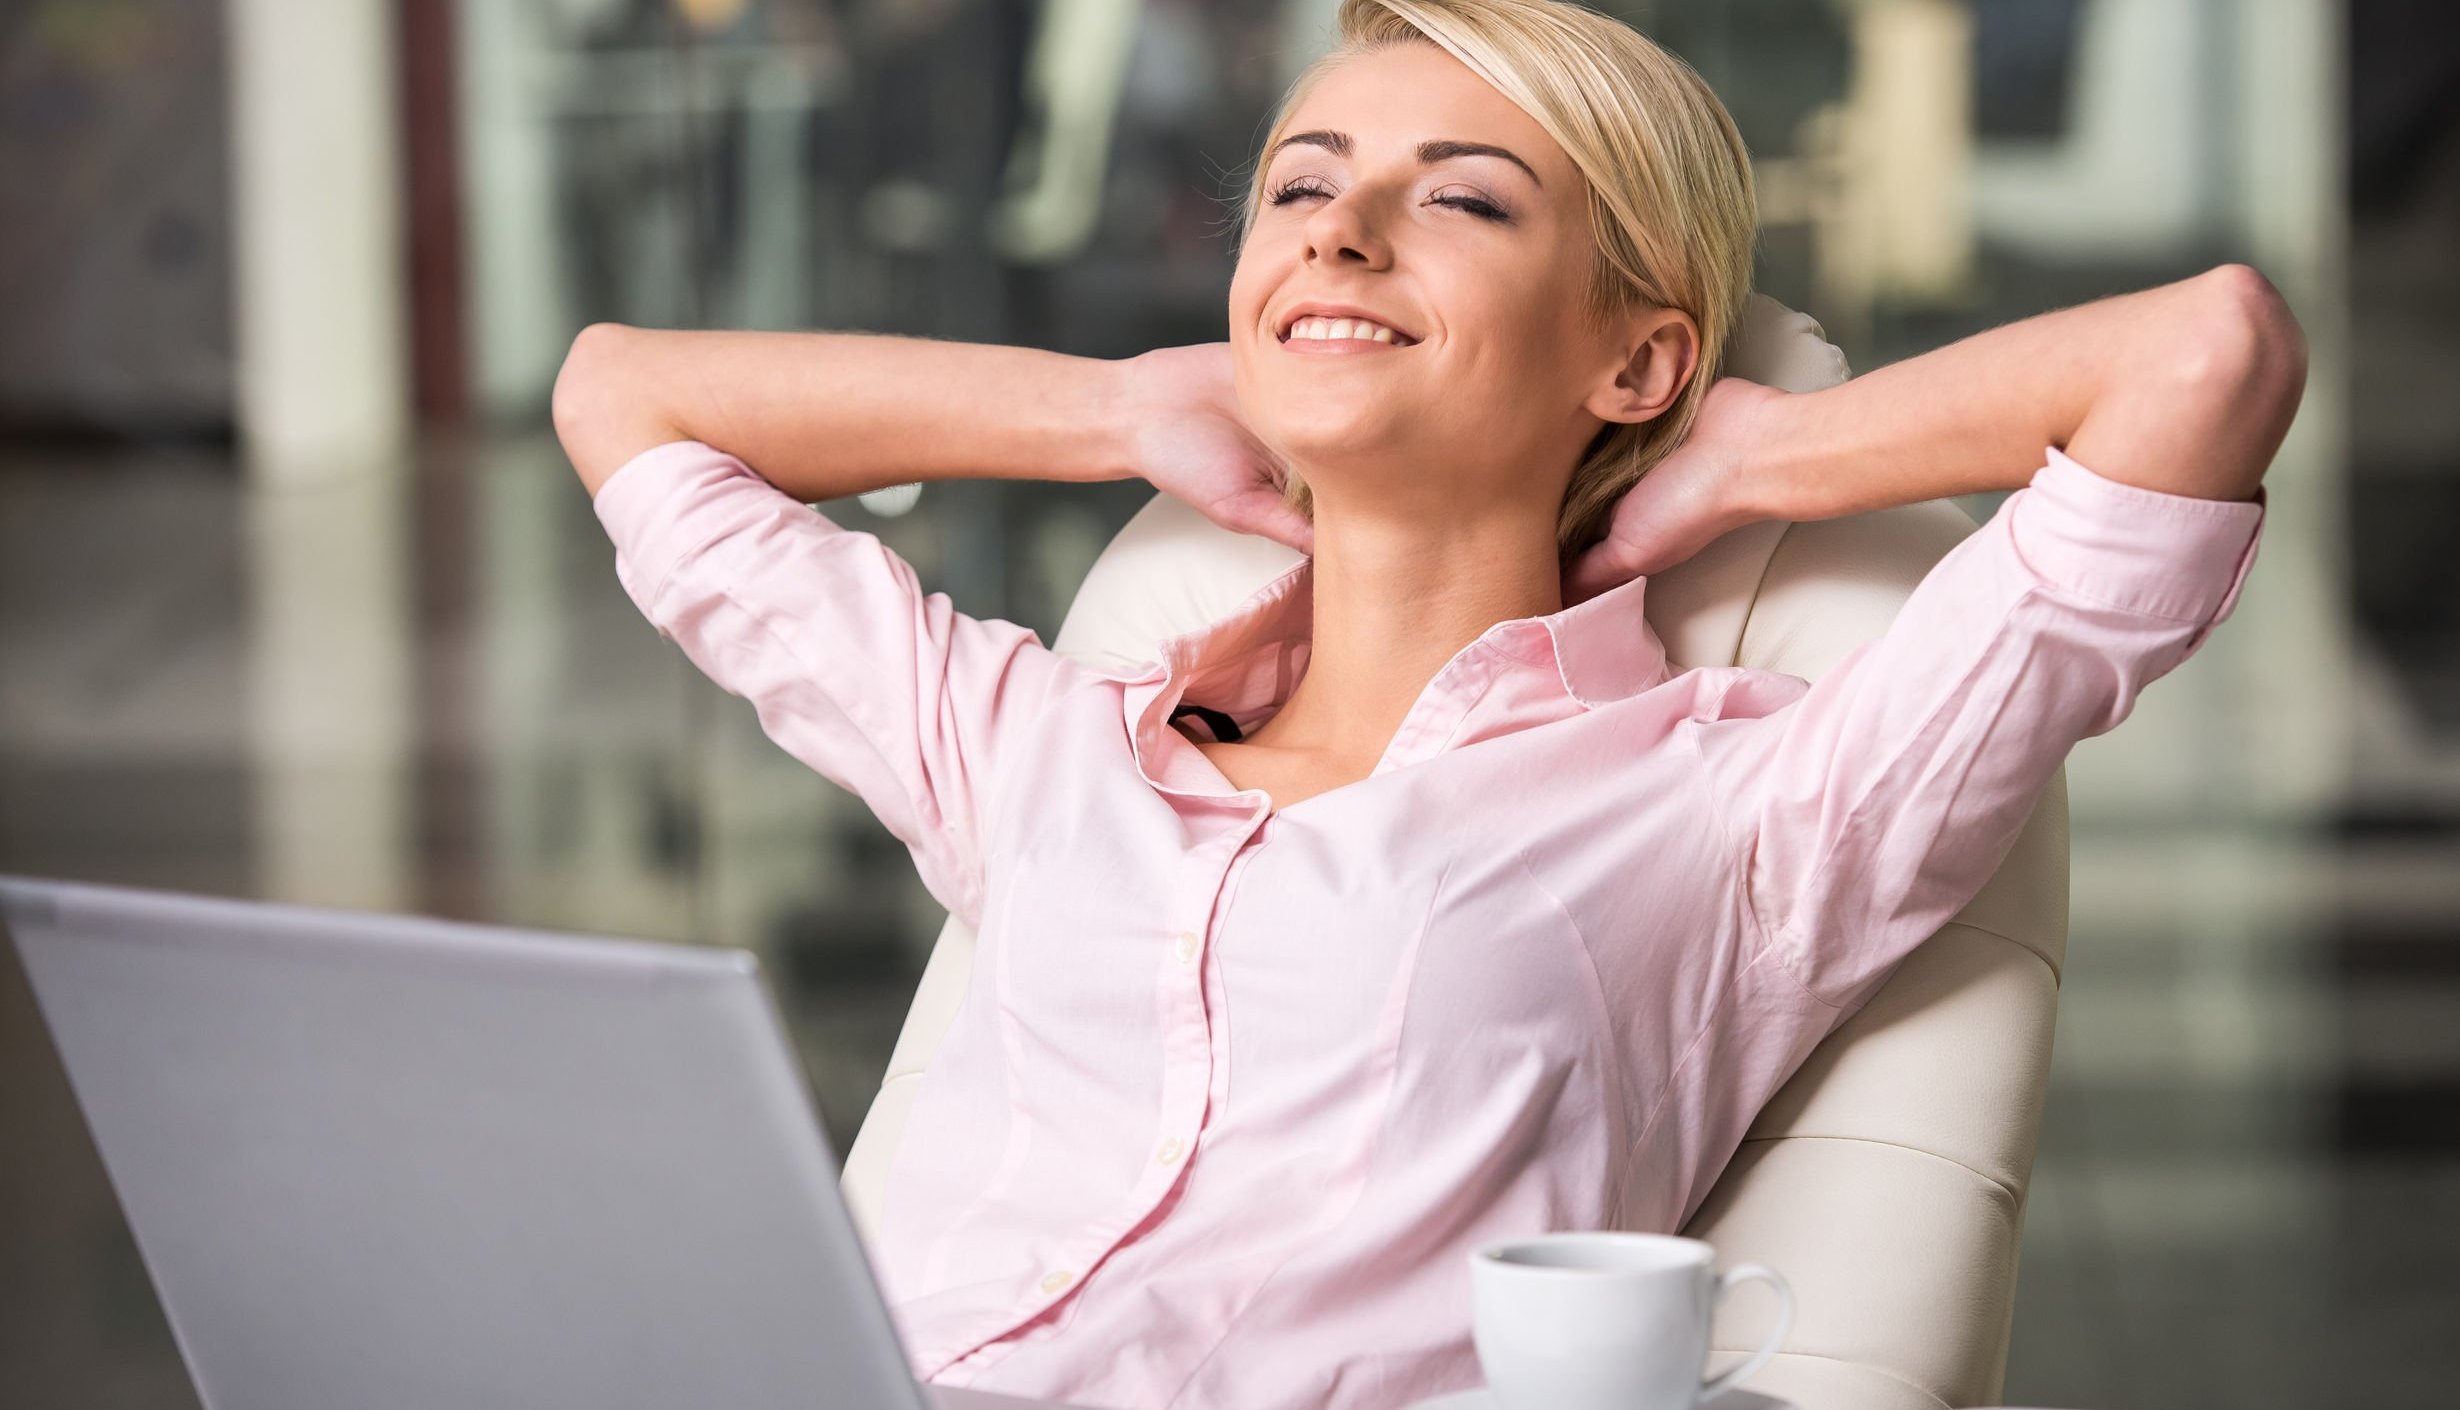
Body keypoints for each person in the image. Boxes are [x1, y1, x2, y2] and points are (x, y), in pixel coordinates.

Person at [551, 2, 2303, 1406]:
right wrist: (1110, 408)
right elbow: (624, 398)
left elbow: (2206, 357)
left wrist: (1764, 451)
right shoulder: (1041, 744)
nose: (1343, 233)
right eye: (1298, 191)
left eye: (1461, 198)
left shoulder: (1734, 813)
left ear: (1636, 357)